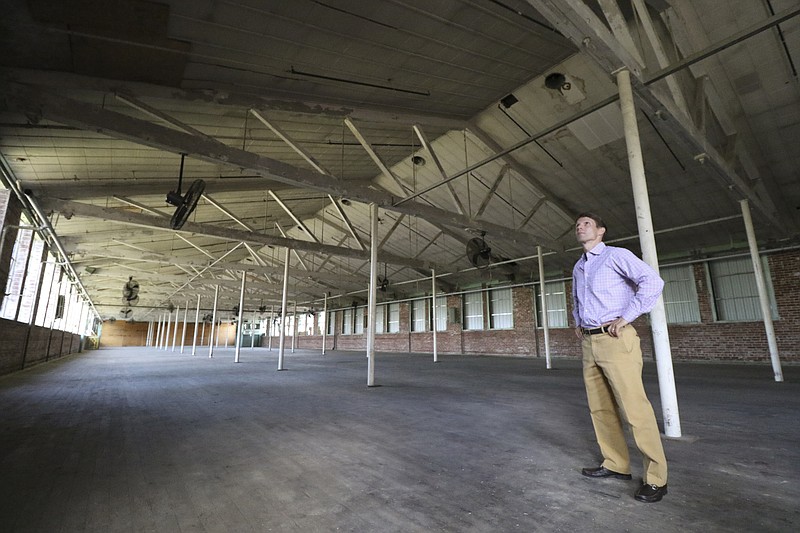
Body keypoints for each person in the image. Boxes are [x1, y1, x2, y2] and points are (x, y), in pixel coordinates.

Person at [571, 212, 668, 503]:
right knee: (600, 408)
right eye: (577, 224)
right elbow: (577, 298)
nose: (580, 226)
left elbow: (652, 282)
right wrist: (577, 320)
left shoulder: (615, 255)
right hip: (590, 341)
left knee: (634, 409)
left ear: (601, 230)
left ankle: (657, 478)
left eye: (586, 223)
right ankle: (615, 464)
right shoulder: (578, 266)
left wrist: (626, 317)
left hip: (616, 340)